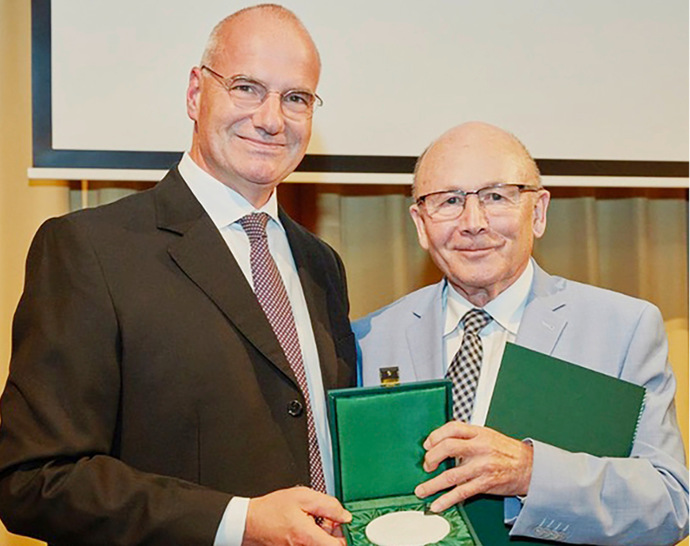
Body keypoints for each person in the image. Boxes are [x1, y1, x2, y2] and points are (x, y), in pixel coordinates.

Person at [0, 5, 356, 545]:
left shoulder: (322, 264)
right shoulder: (90, 250)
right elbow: (35, 481)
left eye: (296, 98)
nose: (270, 119)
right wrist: (238, 523)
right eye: (246, 88)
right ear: (195, 92)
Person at [353, 121, 689, 545]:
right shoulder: (368, 338)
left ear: (539, 211)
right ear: (421, 223)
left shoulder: (622, 328)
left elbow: (671, 504)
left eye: (496, 196)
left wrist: (530, 473)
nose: (473, 222)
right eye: (449, 200)